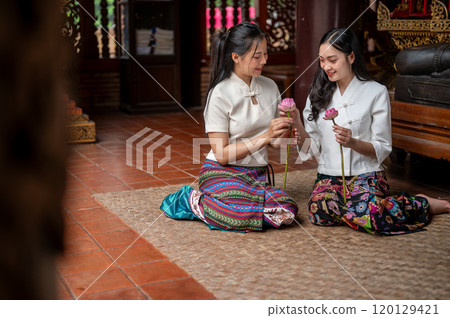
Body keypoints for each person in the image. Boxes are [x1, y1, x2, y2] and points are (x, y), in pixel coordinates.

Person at [280, 28, 450, 235]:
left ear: (351, 57)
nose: (326, 67)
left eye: (332, 60)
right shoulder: (317, 94)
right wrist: (297, 122)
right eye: (322, 61)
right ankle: (356, 208)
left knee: (374, 216)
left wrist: (353, 142)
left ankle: (422, 203)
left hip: (366, 175)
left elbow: (383, 147)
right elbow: (311, 148)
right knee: (319, 212)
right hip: (329, 175)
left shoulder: (376, 92)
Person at [161, 22, 298, 232]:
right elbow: (222, 154)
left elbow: (277, 144)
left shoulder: (270, 87)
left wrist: (285, 130)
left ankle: (225, 206)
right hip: (221, 171)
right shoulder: (220, 94)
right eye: (257, 56)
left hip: (256, 175)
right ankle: (190, 200)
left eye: (265, 54)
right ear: (236, 56)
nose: (264, 60)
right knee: (237, 212)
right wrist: (265, 136)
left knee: (286, 209)